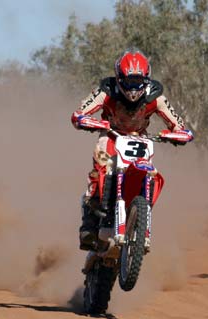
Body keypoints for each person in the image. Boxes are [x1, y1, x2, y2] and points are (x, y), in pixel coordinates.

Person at [71, 49, 192, 251]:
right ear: (119, 78)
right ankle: (89, 226)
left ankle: (139, 215)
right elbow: (81, 111)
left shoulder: (156, 97)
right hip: (111, 135)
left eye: (138, 81)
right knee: (101, 168)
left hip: (139, 139)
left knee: (151, 173)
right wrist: (84, 119)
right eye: (129, 81)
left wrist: (179, 134)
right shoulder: (106, 91)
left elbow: (178, 124)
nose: (133, 87)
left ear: (146, 79)